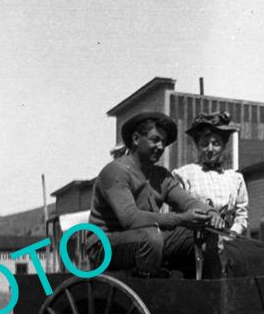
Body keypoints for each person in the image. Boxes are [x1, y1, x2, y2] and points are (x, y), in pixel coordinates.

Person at [88, 111, 212, 276]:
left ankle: (188, 291)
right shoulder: (115, 171)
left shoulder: (161, 176)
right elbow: (130, 219)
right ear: (136, 139)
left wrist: (211, 213)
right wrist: (181, 219)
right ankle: (150, 288)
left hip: (145, 239)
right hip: (104, 246)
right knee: (151, 238)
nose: (160, 147)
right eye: (155, 140)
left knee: (197, 235)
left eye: (164, 142)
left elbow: (188, 202)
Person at [173, 112, 253, 277]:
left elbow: (241, 215)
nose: (210, 149)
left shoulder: (235, 178)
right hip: (191, 246)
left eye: (216, 143)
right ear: (197, 145)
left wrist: (232, 234)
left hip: (226, 245)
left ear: (224, 145)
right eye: (204, 144)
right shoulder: (183, 175)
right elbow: (175, 214)